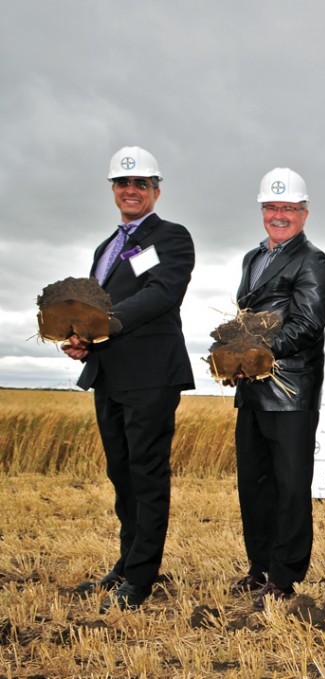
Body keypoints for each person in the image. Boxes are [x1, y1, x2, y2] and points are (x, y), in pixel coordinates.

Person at [64, 146, 195, 612]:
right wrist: (81, 337)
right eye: (123, 183)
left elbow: (162, 293)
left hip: (150, 374)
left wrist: (104, 324)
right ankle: (126, 563)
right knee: (121, 473)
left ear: (156, 191)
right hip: (108, 374)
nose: (131, 190)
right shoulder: (106, 248)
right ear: (113, 190)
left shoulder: (172, 238)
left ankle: (141, 578)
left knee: (146, 474)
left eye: (141, 183)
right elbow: (91, 308)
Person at [230, 168, 325, 610]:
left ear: (304, 213)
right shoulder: (252, 258)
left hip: (290, 390)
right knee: (254, 484)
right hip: (252, 391)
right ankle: (259, 567)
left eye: (289, 208)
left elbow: (307, 326)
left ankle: (286, 575)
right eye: (272, 208)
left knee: (290, 486)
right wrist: (236, 357)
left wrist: (253, 350)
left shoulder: (314, 262)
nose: (279, 215)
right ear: (262, 210)